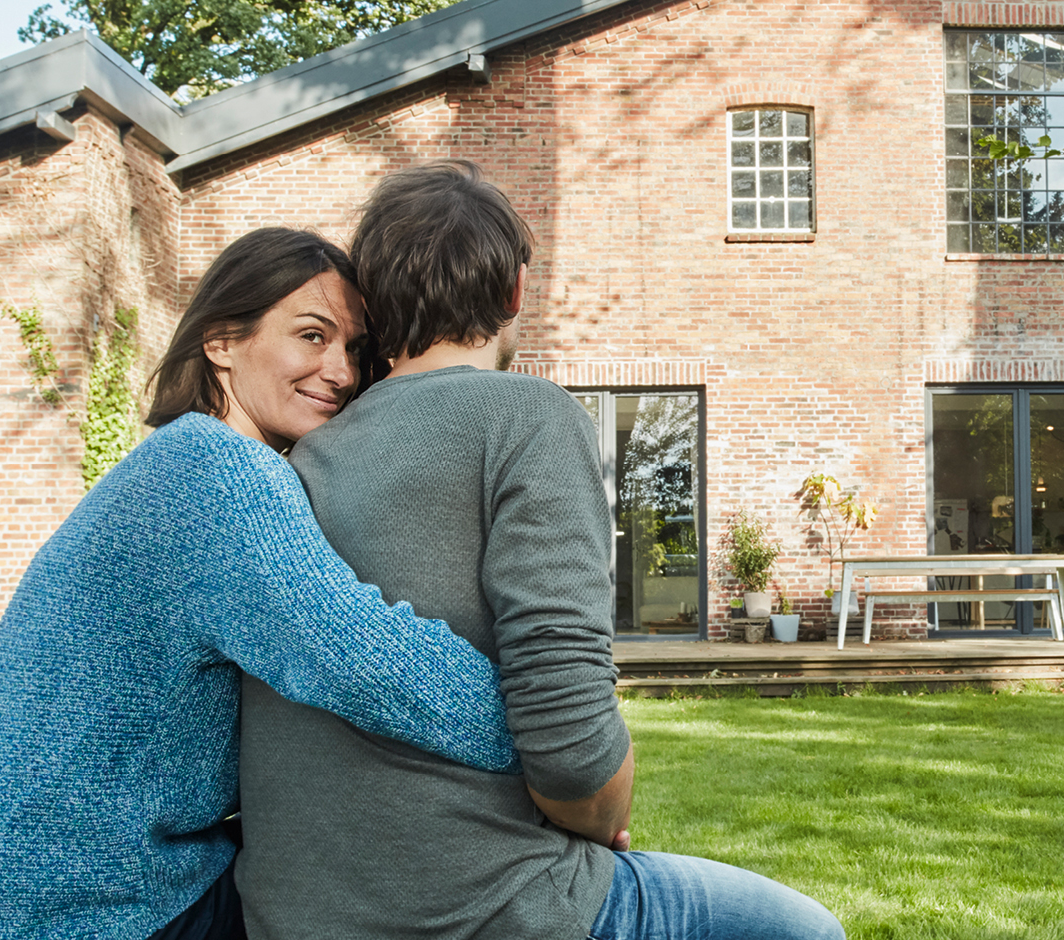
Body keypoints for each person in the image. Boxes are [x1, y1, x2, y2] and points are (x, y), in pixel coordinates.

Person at [236, 162, 845, 940]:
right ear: (516, 291)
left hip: (295, 915)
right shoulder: (529, 417)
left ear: (374, 302)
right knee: (805, 931)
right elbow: (567, 736)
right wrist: (602, 807)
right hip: (485, 910)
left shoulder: (302, 455)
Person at [0, 227, 521, 940]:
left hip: (5, 883)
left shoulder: (174, 461)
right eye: (312, 336)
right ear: (221, 341)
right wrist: (554, 744)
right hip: (77, 901)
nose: (342, 372)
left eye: (354, 348)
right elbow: (362, 658)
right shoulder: (217, 472)